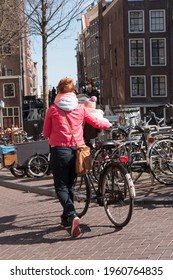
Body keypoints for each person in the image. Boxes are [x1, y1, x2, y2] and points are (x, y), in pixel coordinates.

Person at [43, 77, 112, 238]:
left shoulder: (53, 109)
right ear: (73, 91)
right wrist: (108, 124)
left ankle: (72, 215)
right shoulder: (80, 108)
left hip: (59, 151)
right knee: (70, 186)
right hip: (78, 151)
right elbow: (96, 122)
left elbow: (46, 133)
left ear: (59, 91)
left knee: (61, 187)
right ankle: (67, 219)